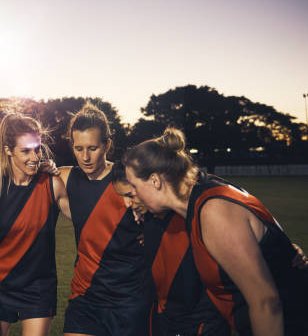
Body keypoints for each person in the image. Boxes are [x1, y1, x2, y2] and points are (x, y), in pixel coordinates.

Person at [124, 127, 308, 336]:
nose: (132, 193)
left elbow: (266, 302)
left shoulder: (213, 211)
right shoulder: (200, 196)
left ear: (155, 180)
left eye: (134, 185)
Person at [59, 103, 150, 336]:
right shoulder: (65, 177)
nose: (85, 157)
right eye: (78, 148)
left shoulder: (128, 180)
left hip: (130, 301)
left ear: (107, 145)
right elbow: (22, 173)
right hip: (85, 298)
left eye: (92, 148)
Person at [110, 161, 230, 336]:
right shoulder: (149, 216)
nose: (128, 203)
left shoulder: (196, 212)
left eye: (131, 194)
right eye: (125, 196)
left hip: (200, 322)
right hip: (166, 320)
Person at [0, 113, 71, 336]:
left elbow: (88, 218)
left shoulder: (51, 184)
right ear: (7, 150)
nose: (34, 157)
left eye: (37, 149)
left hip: (38, 287)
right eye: (25, 151)